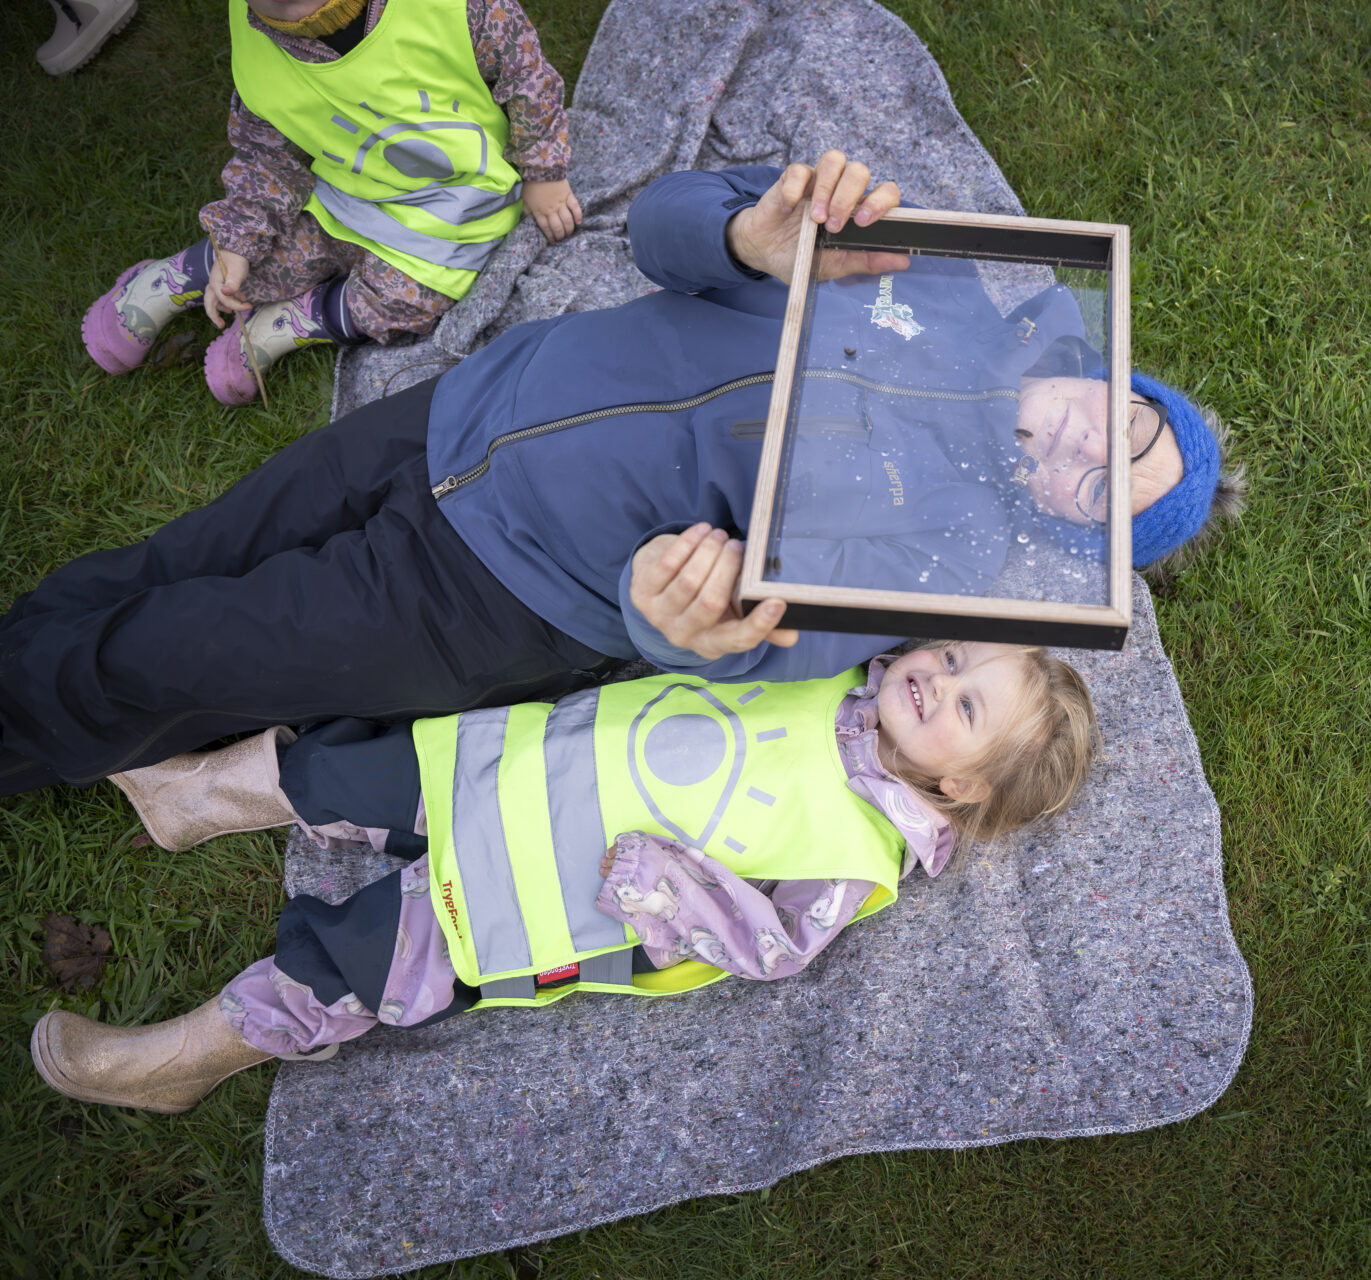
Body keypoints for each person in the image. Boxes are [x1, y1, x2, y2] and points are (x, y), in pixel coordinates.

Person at [0, 153, 1241, 799]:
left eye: (1101, 496)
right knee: (180, 559)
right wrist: (745, 232)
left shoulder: (951, 571)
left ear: (1066, 527)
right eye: (1127, 432)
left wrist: (680, 617)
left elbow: (770, 646)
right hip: (469, 406)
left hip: (498, 593)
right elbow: (661, 229)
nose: (1088, 453)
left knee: (171, 653)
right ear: (1119, 377)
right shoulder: (941, 265)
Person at [30, 642, 1099, 1114]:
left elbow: (768, 944)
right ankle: (198, 798)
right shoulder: (838, 670)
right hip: (521, 766)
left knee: (354, 954)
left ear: (960, 785)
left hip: (547, 889)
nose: (938, 679)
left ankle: (184, 1057)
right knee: (357, 762)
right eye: (955, 656)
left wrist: (663, 881)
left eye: (966, 705)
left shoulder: (859, 857)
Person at [80, 0, 582, 404]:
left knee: (412, 302)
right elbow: (265, 157)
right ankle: (182, 274)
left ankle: (299, 320)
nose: (292, 11)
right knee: (251, 267)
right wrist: (235, 247)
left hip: (446, 208)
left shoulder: (457, 6)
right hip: (339, 194)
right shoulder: (259, 42)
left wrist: (543, 172)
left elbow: (527, 78)